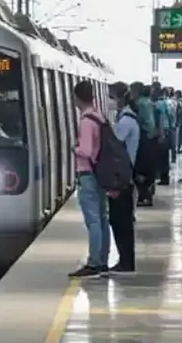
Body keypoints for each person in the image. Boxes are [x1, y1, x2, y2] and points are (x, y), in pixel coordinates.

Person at [69, 81, 109, 278]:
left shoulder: (86, 121)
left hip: (88, 174)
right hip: (100, 173)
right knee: (102, 218)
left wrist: (73, 149)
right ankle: (103, 259)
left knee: (92, 220)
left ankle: (94, 263)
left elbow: (85, 151)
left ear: (77, 98)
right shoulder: (99, 116)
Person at [106, 82, 140, 274]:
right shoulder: (127, 117)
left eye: (111, 96)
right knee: (121, 221)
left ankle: (126, 262)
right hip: (126, 175)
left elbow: (115, 146)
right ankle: (125, 261)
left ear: (119, 97)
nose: (109, 101)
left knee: (121, 222)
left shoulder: (126, 121)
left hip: (122, 178)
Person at [131, 82, 157, 206]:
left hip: (144, 136)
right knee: (149, 167)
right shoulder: (149, 102)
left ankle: (144, 196)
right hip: (151, 136)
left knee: (140, 168)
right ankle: (149, 194)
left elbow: (139, 120)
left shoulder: (140, 103)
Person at [152, 84, 172, 185]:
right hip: (166, 130)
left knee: (161, 156)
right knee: (164, 156)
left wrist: (161, 134)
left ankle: (163, 177)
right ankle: (165, 177)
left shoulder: (157, 104)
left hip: (162, 131)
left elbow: (160, 119)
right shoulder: (164, 103)